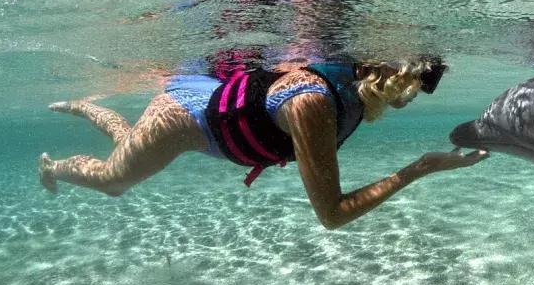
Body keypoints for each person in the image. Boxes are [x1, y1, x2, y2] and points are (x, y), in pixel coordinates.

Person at [38, 57, 489, 229]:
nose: (407, 102)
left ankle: (87, 109)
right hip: (184, 117)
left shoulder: (345, 75)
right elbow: (332, 215)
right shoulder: (313, 104)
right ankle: (54, 165)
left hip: (197, 100)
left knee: (129, 147)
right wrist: (419, 169)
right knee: (114, 180)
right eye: (411, 92)